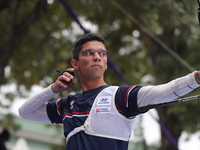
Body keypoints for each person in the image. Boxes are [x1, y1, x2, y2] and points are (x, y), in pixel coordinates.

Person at [18, 33, 200, 150]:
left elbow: (164, 91)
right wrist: (54, 88)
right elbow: (25, 112)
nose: (97, 57)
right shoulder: (68, 105)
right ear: (75, 63)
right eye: (88, 53)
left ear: (105, 63)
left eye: (102, 53)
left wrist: (195, 79)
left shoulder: (121, 97)